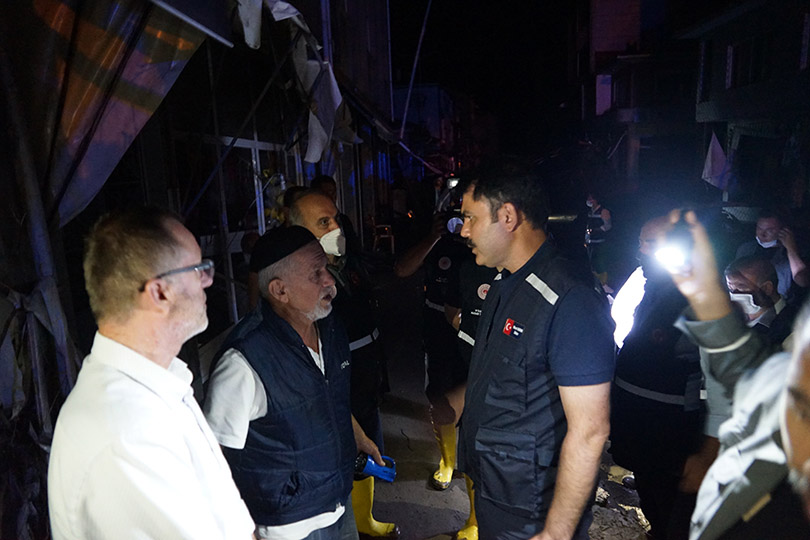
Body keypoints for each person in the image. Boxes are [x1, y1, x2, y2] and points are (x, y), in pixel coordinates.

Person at [48, 207, 254, 539]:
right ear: (160, 292)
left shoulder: (160, 384)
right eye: (199, 269)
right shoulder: (128, 428)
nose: (208, 280)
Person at [457, 163, 615, 539]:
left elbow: (590, 430)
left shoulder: (570, 300)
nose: (463, 230)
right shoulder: (506, 284)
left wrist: (556, 532)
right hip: (496, 486)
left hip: (532, 510)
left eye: (470, 218)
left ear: (508, 216)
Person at [204, 225, 381, 540]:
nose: (329, 281)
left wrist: (358, 436)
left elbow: (329, 396)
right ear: (279, 291)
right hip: (288, 527)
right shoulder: (244, 363)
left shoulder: (330, 328)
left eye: (326, 269)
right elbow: (213, 459)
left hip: (339, 503)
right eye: (316, 274)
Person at [660, 209, 810, 539]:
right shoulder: (740, 328)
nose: (733, 296)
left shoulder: (790, 332)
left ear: (767, 288)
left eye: (738, 288)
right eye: (728, 288)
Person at [289, 192, 399, 539]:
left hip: (364, 371)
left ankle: (363, 519)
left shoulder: (347, 264)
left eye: (335, 218)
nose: (336, 227)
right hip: (335, 380)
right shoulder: (297, 285)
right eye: (324, 222)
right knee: (341, 450)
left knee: (367, 442)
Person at [609, 216, 717, 540]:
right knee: (651, 495)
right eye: (642, 242)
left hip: (671, 430)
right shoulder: (651, 287)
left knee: (673, 506)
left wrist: (707, 449)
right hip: (638, 424)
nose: (644, 250)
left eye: (654, 244)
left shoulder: (697, 295)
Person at [725, 256, 799, 347]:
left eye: (741, 287)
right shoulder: (730, 320)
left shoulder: (793, 325)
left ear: (767, 288)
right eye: (730, 288)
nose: (734, 294)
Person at [734, 209, 808, 299]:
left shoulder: (794, 254)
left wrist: (791, 249)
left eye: (770, 230)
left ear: (783, 231)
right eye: (759, 228)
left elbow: (803, 281)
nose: (762, 234)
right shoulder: (746, 249)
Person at [584, 190, 613, 285]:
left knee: (600, 263)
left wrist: (597, 230)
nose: (589, 200)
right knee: (592, 264)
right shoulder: (590, 212)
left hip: (600, 242)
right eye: (588, 198)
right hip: (590, 242)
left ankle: (604, 283)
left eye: (591, 198)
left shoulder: (603, 211)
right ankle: (596, 283)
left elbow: (608, 226)